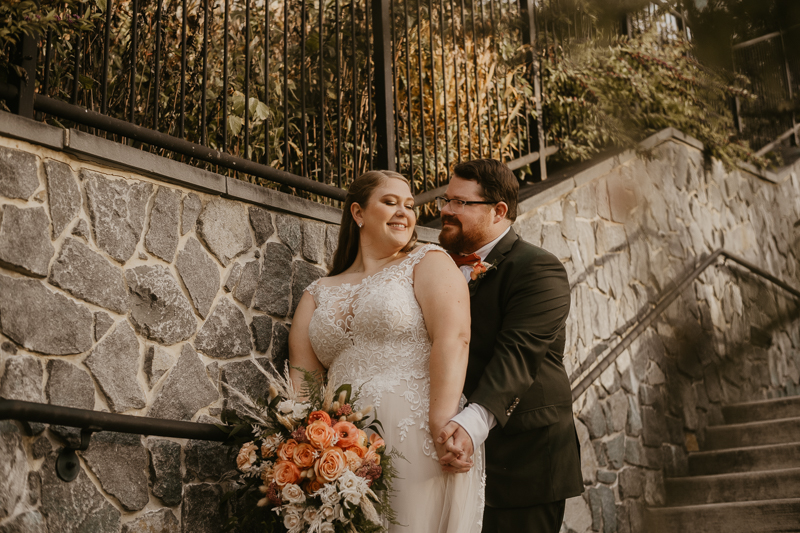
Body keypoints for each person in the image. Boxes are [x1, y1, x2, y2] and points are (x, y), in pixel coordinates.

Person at [289, 170, 486, 532]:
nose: (404, 213)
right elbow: (305, 383)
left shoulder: (428, 261)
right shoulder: (317, 292)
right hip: (341, 450)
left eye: (409, 205)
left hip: (417, 432)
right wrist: (308, 454)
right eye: (390, 202)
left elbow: (453, 337)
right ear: (358, 214)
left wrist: (442, 424)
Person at [435, 159, 583, 533]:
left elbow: (518, 355)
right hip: (447, 454)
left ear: (499, 211)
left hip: (524, 459)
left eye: (460, 203)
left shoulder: (538, 269)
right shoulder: (435, 267)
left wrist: (469, 425)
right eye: (446, 200)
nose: (446, 211)